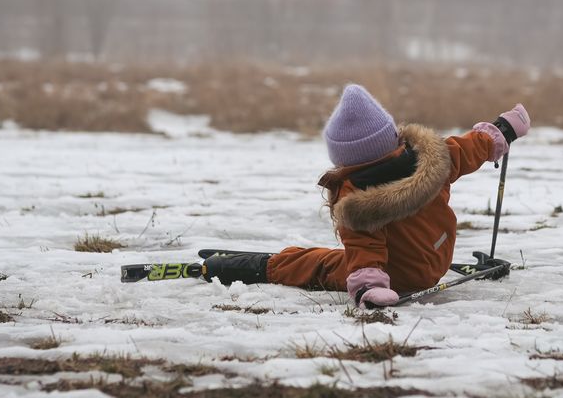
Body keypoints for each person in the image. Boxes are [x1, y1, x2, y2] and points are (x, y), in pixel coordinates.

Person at [201, 84, 530, 307]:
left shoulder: (357, 198)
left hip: (399, 277)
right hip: (437, 257)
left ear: (344, 158)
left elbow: (365, 251)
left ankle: (261, 266)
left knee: (320, 264)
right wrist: (504, 128)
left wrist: (370, 288)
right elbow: (474, 145)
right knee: (340, 258)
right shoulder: (435, 157)